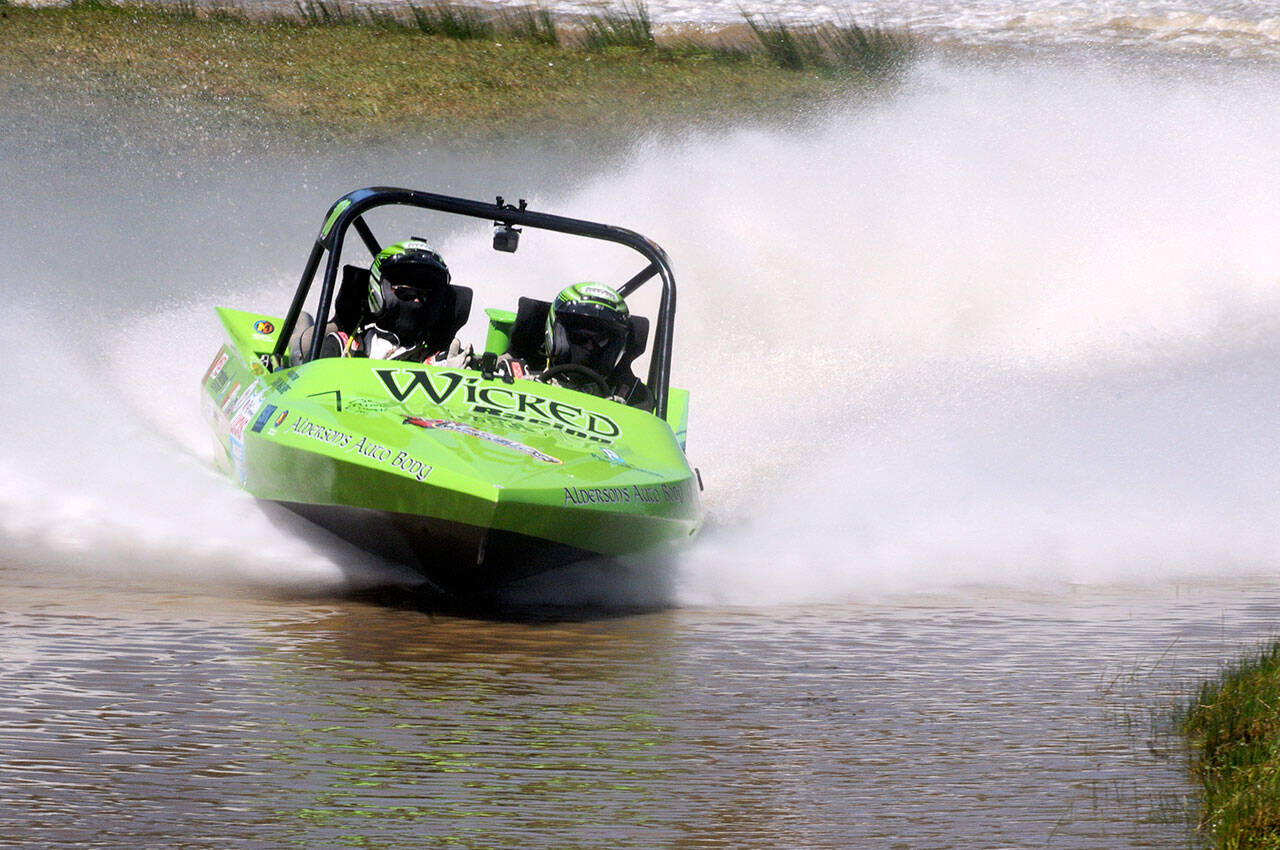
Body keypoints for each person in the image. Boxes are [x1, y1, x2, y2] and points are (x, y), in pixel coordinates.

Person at [323, 238, 470, 365]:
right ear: (379, 289)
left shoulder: (445, 360)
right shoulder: (343, 347)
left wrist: (454, 378)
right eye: (405, 290)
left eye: (427, 293)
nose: (417, 299)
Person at [531, 282, 652, 409]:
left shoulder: (634, 398)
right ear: (556, 334)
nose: (589, 347)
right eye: (579, 337)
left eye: (600, 340)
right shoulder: (516, 374)